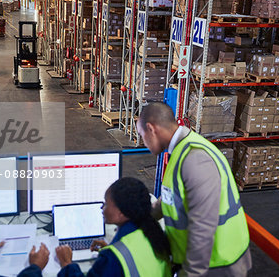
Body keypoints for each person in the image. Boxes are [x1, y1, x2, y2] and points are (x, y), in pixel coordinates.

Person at [136, 102, 252, 276]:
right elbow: (173, 196)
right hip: (204, 262)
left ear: (151, 129)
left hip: (217, 264)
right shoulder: (181, 151)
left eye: (141, 135)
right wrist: (138, 220)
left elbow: (203, 227)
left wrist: (189, 273)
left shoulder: (195, 158)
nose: (142, 141)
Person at [56, 177, 172, 277]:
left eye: (106, 203)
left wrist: (67, 264)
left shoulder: (111, 258)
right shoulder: (153, 233)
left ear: (121, 212)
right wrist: (112, 248)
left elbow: (115, 264)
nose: (102, 208)